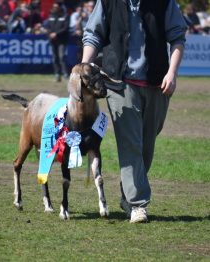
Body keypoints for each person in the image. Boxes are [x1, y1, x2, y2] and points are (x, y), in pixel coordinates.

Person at [82, 0, 187, 223]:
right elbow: (94, 34)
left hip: (157, 84)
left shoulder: (165, 3)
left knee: (147, 144)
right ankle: (137, 203)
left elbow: (178, 37)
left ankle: (126, 195)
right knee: (131, 142)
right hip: (118, 83)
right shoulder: (108, 2)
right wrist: (83, 68)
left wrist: (172, 73)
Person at [46, 0, 69, 82]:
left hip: (61, 40)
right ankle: (57, 75)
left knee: (61, 57)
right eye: (54, 6)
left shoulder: (65, 16)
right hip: (53, 40)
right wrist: (50, 33)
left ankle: (65, 74)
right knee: (55, 58)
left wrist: (56, 34)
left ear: (60, 7)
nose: (54, 8)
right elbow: (48, 26)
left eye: (56, 7)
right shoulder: (51, 15)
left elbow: (65, 28)